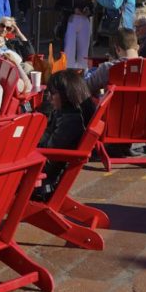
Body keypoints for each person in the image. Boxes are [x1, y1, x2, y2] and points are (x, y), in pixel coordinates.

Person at [34, 69, 96, 201]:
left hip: (41, 177)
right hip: (47, 171)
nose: (49, 97)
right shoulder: (71, 113)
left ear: (66, 95)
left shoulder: (70, 121)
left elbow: (50, 151)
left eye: (53, 93)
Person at [54, 0, 96, 69]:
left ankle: (83, 72)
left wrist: (89, 11)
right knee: (69, 49)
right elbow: (57, 6)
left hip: (84, 22)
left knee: (84, 50)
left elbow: (92, 10)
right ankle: (69, 72)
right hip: (70, 21)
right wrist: (73, 10)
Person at [84, 27, 140, 96]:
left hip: (112, 105)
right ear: (138, 47)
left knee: (88, 73)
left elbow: (86, 87)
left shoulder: (108, 67)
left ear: (117, 49)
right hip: (142, 106)